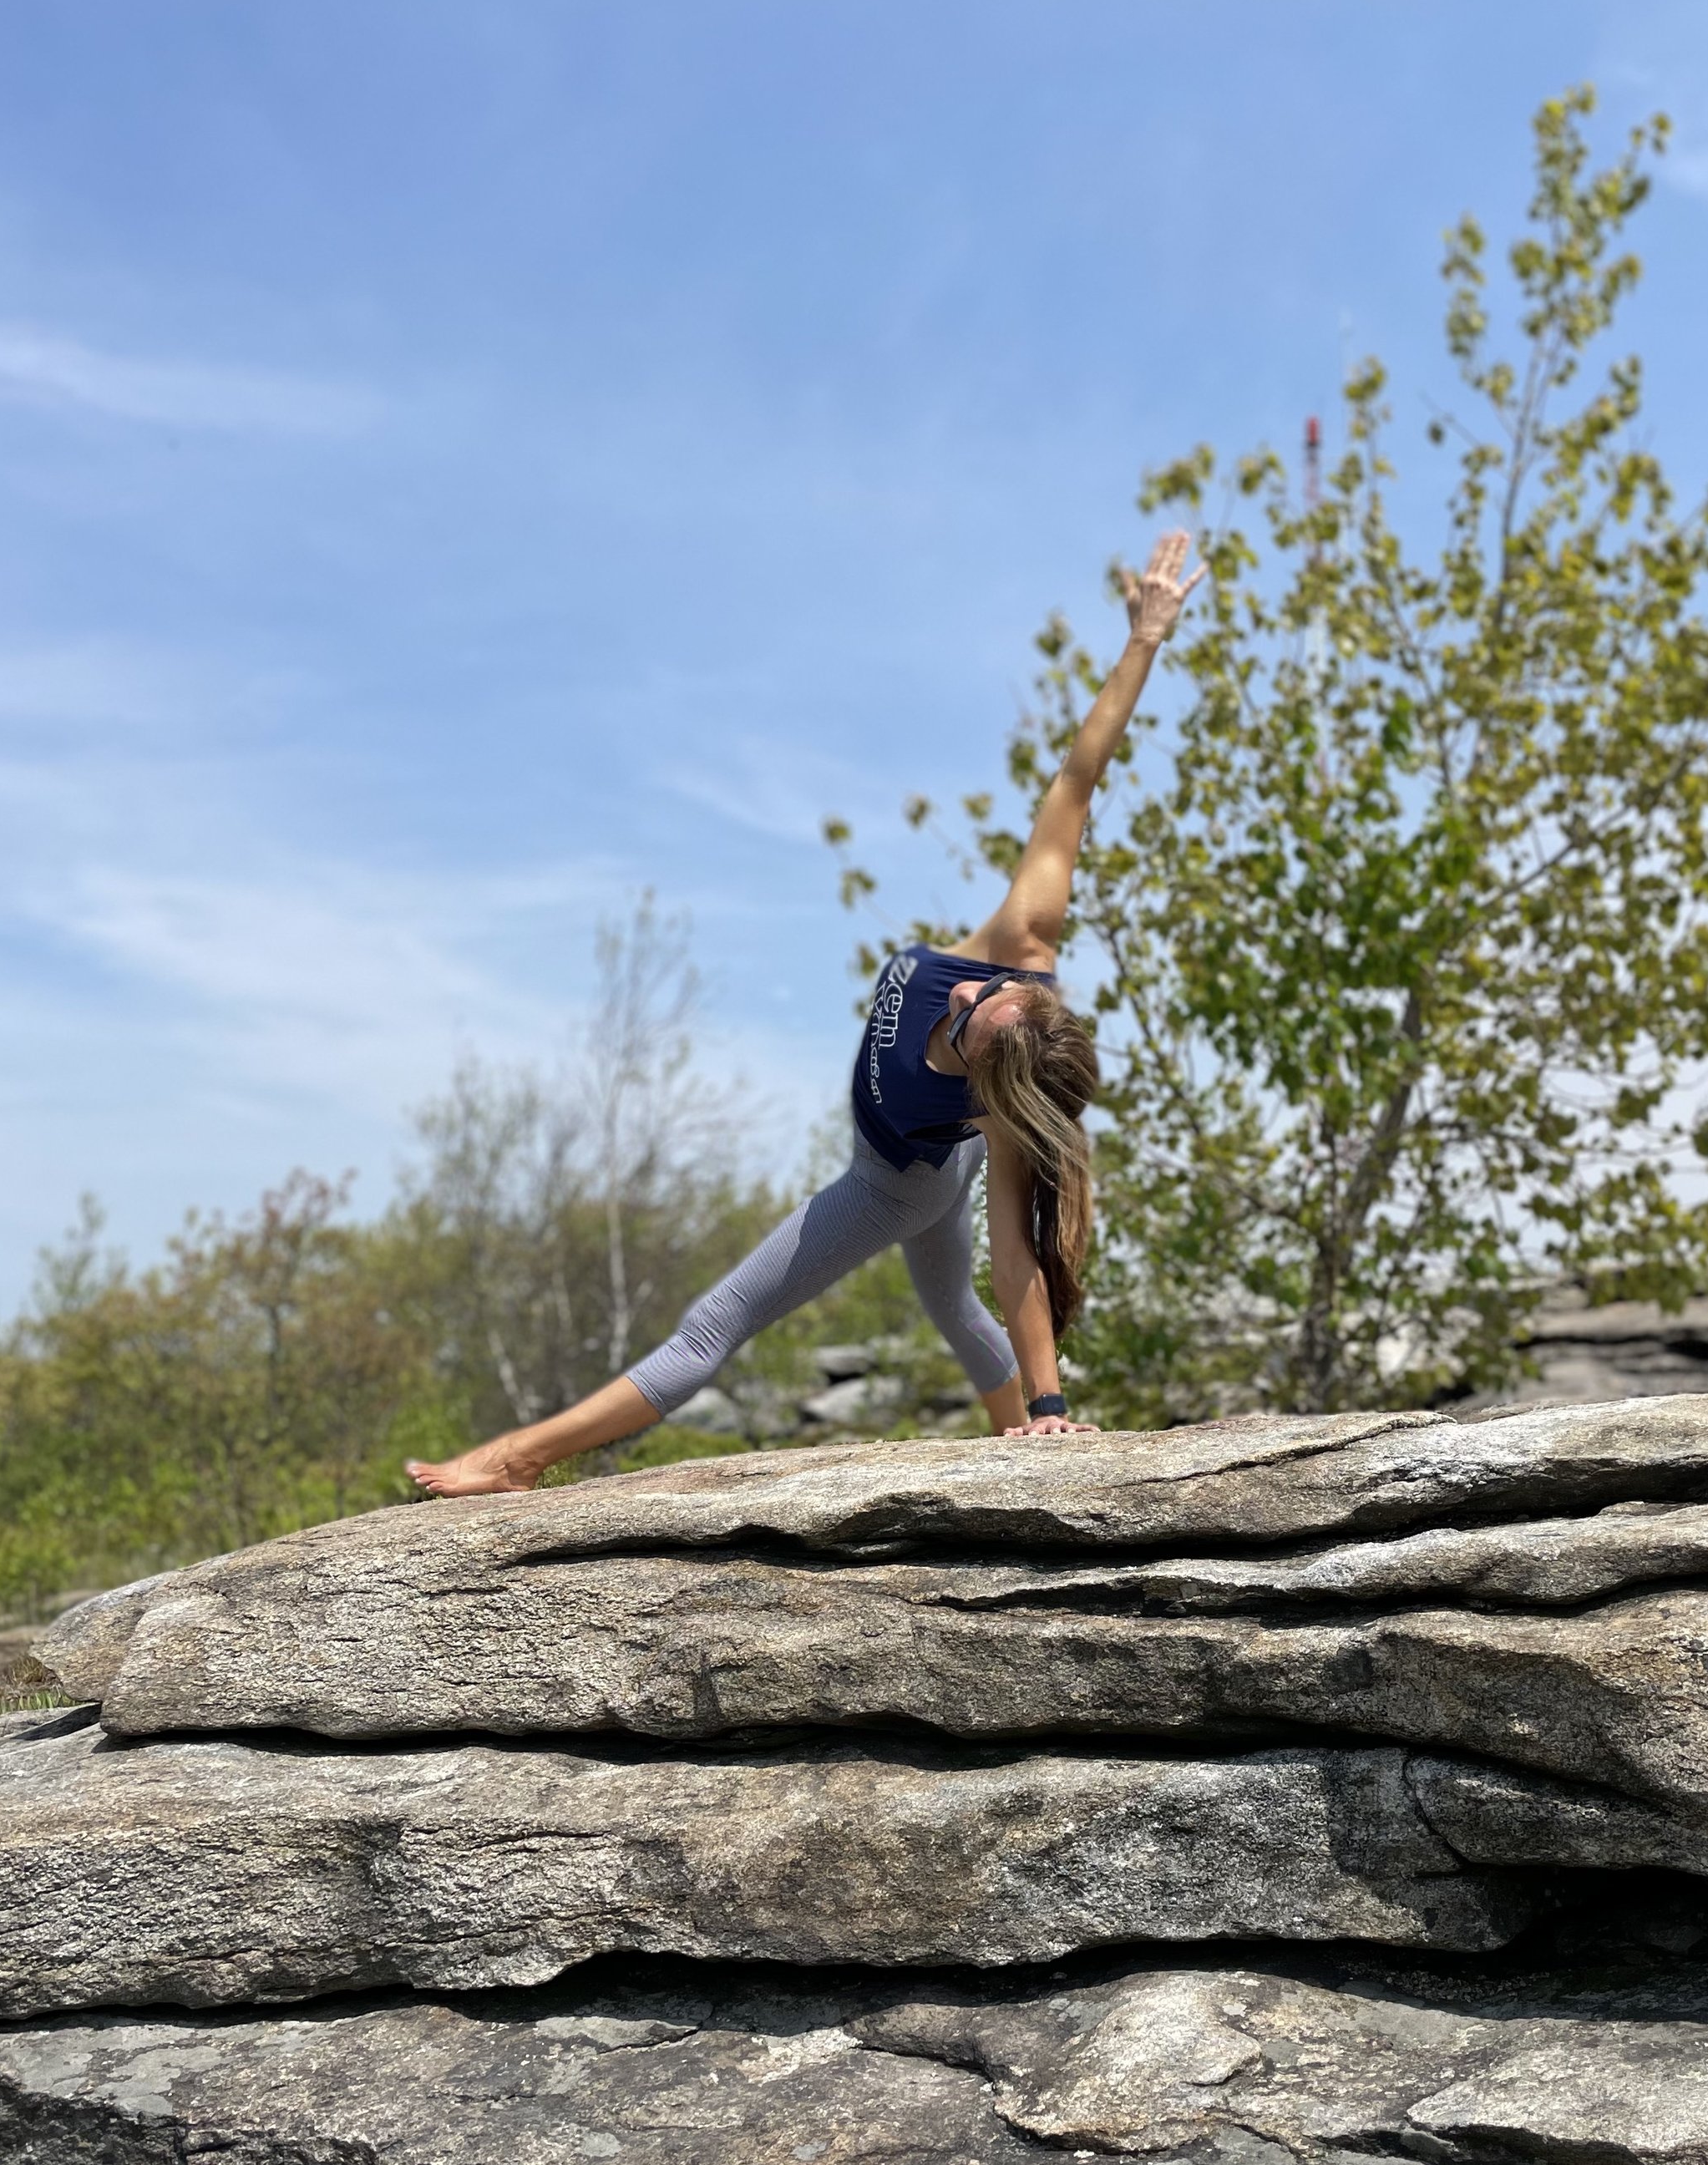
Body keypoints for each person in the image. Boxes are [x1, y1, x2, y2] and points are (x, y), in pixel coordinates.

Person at [405, 529, 1202, 1497]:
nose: (961, 992)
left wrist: (1052, 1402)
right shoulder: (1021, 940)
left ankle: (513, 1459)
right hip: (928, 1169)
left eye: (967, 1026)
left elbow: (1019, 1259)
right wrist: (1144, 641)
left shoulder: (994, 1116)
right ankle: (1028, 1471)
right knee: (951, 1310)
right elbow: (1079, 777)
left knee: (716, 1326)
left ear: (990, 1089)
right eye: (985, 996)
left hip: (894, 1182)